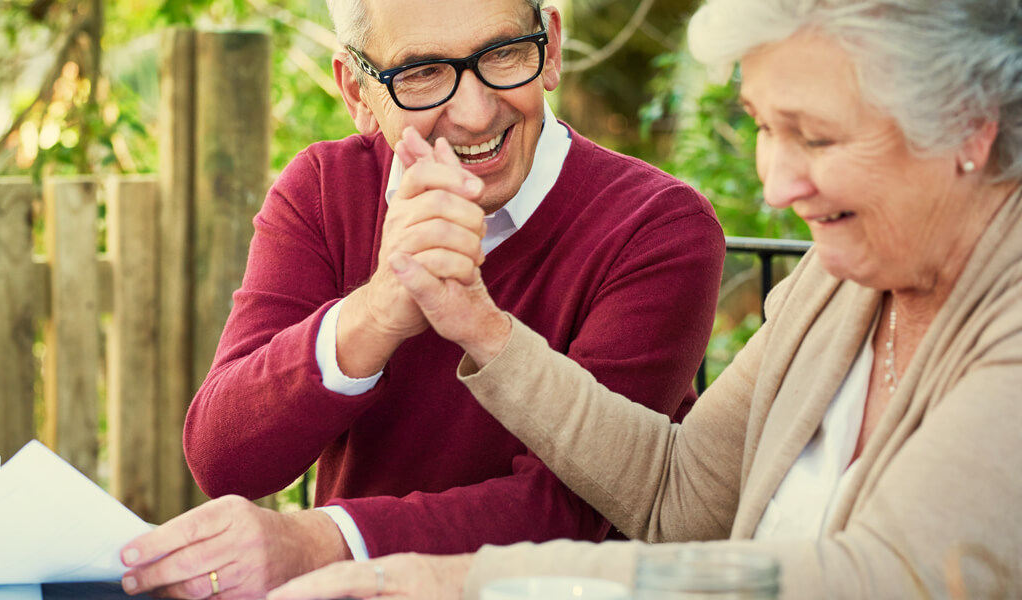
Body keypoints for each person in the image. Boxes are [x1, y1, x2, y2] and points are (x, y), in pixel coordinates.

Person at [264, 0, 1022, 598]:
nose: (775, 184)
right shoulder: (840, 284)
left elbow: (876, 580)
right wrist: (481, 327)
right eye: (763, 127)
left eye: (815, 138)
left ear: (970, 129)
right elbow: (679, 495)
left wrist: (472, 584)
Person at [118, 0, 725, 597]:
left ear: (552, 51)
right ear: (358, 92)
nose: (475, 111)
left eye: (505, 54)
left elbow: (574, 510)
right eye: (422, 74)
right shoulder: (325, 191)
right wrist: (378, 311)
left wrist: (316, 543)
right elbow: (225, 460)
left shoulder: (658, 226)